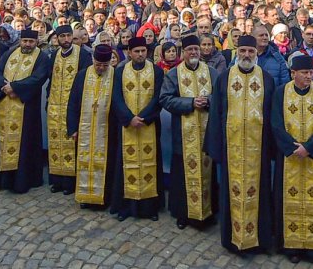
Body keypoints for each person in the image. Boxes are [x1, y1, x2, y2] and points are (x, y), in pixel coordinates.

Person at [206, 34, 276, 255]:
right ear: (236, 52)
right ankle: (231, 239)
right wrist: (216, 147)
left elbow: (272, 116)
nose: (246, 55)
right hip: (232, 149)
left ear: (256, 54)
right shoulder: (225, 77)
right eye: (243, 51)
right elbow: (216, 112)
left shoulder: (267, 79)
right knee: (231, 192)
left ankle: (260, 239)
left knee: (260, 192)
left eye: (251, 52)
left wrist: (272, 148)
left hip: (259, 150)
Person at [270, 52, 313, 263]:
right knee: (288, 199)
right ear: (293, 73)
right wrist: (291, 147)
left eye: (311, 72)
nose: (309, 76)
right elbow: (276, 123)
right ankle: (292, 245)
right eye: (304, 72)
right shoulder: (281, 93)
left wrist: (309, 147)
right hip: (289, 158)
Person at [0, 28, 50, 195]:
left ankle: (21, 181)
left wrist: (15, 87)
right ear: (20, 41)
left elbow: (38, 78)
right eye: (25, 41)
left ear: (36, 42)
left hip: (26, 108)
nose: (27, 44)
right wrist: (5, 87)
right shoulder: (10, 53)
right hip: (4, 106)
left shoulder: (41, 57)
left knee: (25, 144)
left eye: (31, 42)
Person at [159, 33, 216, 230]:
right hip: (183, 135)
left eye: (196, 49)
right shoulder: (174, 74)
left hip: (206, 135)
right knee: (182, 174)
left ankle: (207, 213)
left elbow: (220, 96)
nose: (193, 52)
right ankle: (183, 214)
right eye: (190, 49)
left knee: (207, 174)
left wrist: (208, 100)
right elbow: (165, 99)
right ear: (183, 52)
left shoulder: (211, 72)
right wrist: (191, 103)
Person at [110, 35, 164, 220]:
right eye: (137, 51)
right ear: (129, 53)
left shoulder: (156, 71)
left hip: (149, 125)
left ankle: (149, 209)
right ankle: (126, 207)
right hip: (127, 127)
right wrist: (129, 118)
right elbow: (115, 98)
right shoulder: (120, 71)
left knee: (151, 164)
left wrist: (143, 117)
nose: (141, 54)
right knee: (126, 164)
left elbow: (158, 98)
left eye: (143, 51)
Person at [67, 43, 119, 209]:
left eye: (105, 65)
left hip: (107, 130)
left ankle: (105, 197)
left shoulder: (116, 75)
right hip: (84, 129)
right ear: (93, 60)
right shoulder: (82, 75)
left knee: (106, 164)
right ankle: (85, 197)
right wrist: (72, 128)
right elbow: (73, 103)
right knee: (84, 161)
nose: (101, 68)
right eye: (98, 65)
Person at [46, 25, 91, 194]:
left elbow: (84, 82)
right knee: (55, 143)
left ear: (72, 36)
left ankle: (70, 182)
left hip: (73, 107)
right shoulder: (54, 55)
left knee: (71, 143)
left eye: (68, 36)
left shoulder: (83, 55)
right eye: (62, 36)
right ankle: (57, 180)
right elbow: (51, 79)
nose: (65, 39)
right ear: (56, 38)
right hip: (55, 106)